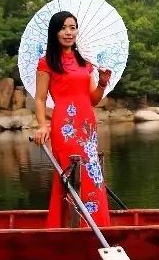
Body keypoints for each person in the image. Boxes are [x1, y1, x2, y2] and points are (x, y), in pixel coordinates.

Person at [33, 11, 112, 228]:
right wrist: (42, 125)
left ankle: (95, 224)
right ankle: (69, 224)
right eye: (63, 28)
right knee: (70, 173)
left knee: (91, 174)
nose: (69, 33)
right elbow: (40, 99)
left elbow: (93, 100)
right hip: (65, 126)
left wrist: (103, 83)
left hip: (87, 125)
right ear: (55, 32)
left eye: (73, 27)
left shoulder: (85, 63)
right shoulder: (47, 63)